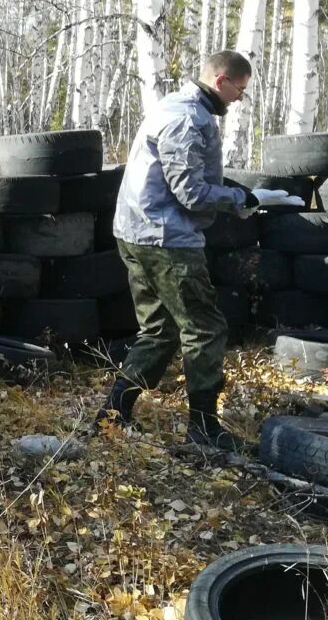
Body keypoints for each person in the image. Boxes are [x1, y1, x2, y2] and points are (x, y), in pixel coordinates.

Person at [99, 50, 293, 450]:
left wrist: (240, 195)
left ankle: (112, 415)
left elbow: (191, 181)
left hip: (138, 231)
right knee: (205, 328)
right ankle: (203, 427)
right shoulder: (188, 118)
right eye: (240, 90)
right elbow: (190, 192)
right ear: (221, 81)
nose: (240, 98)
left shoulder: (175, 106)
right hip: (166, 239)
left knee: (160, 329)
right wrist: (243, 199)